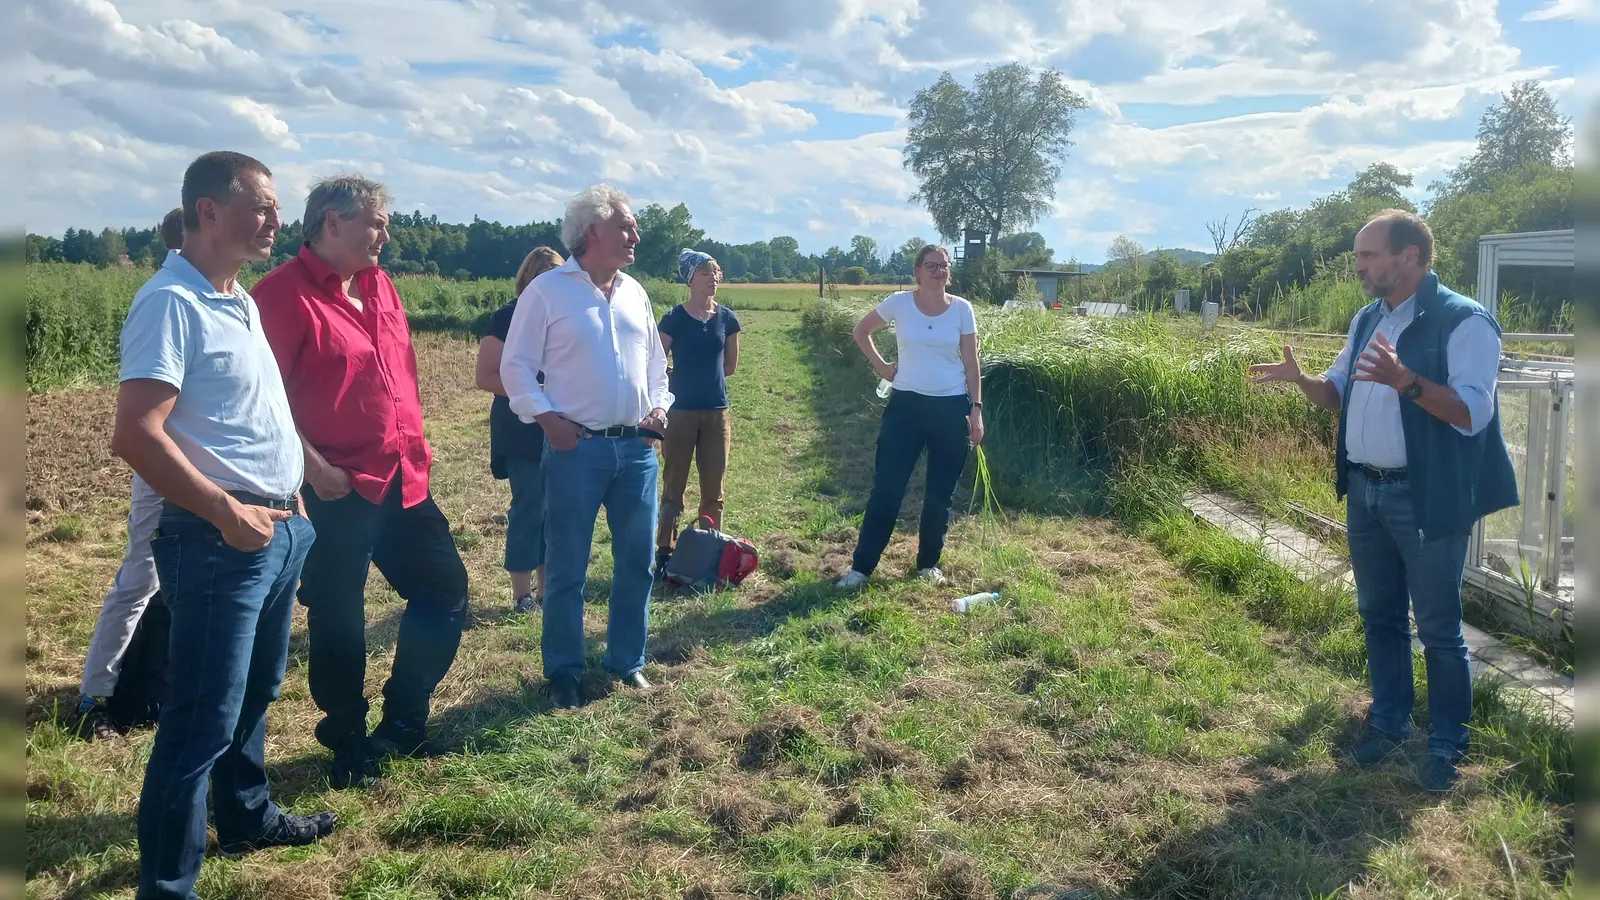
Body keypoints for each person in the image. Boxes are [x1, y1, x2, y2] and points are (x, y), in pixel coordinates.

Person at [112, 151, 335, 900]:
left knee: (254, 693)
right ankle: (168, 888)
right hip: (217, 539)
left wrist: (290, 494)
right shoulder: (170, 301)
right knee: (199, 720)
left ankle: (245, 816)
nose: (276, 221)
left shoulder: (234, 298)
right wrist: (223, 509)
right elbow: (137, 434)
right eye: (262, 207)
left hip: (275, 528)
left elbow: (249, 414)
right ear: (208, 210)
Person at [1248, 209, 1517, 792]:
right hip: (1365, 490)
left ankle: (1448, 744)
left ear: (1411, 257)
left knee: (1439, 630)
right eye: (1359, 254)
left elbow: (1472, 414)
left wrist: (1407, 382)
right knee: (1379, 617)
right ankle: (1390, 722)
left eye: (1369, 254)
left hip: (1425, 498)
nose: (1359, 265)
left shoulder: (1464, 322)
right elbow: (1338, 394)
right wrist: (1303, 381)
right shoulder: (1368, 318)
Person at [253, 174, 469, 789]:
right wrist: (314, 468)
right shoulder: (281, 296)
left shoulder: (380, 286)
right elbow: (261, 404)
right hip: (336, 487)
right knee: (339, 613)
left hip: (403, 477)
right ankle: (346, 735)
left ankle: (403, 721)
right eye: (374, 222)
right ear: (330, 223)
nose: (385, 234)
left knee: (445, 589)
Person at [500, 183, 672, 710]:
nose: (635, 235)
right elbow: (515, 367)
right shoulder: (548, 291)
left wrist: (660, 406)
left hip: (637, 452)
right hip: (576, 450)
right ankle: (565, 671)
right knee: (568, 565)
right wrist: (549, 421)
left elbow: (655, 368)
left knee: (637, 562)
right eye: (626, 226)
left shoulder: (635, 291)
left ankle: (627, 661)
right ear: (593, 231)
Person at [76, 206, 187, 742]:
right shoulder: (166, 298)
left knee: (176, 583)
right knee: (141, 577)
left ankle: (158, 684)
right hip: (167, 467)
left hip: (206, 471)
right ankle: (95, 694)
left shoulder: (221, 296)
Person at [836, 245, 984, 589]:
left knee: (939, 493)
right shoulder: (899, 303)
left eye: (944, 266)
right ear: (917, 272)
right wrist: (883, 368)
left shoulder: (962, 310)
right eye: (931, 266)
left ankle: (928, 564)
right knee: (887, 489)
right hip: (905, 408)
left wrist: (976, 409)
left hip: (950, 408)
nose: (939, 271)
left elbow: (971, 363)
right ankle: (860, 569)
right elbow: (862, 331)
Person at [475, 246, 565, 612]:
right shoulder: (506, 317)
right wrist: (536, 394)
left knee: (554, 510)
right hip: (520, 426)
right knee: (529, 507)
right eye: (541, 273)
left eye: (556, 273)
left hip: (559, 425)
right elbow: (486, 377)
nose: (550, 281)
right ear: (526, 278)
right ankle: (522, 596)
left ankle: (546, 592)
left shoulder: (564, 318)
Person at [654, 249, 741, 574]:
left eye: (716, 273)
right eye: (706, 273)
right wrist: (674, 380)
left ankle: (708, 550)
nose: (713, 279)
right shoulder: (674, 318)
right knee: (674, 485)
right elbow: (656, 362)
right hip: (680, 413)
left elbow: (730, 366)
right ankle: (665, 553)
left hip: (717, 413)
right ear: (690, 279)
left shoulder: (727, 319)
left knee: (714, 490)